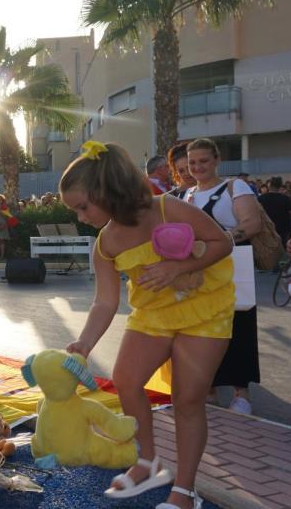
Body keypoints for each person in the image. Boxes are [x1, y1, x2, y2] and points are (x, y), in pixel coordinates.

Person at [61, 141, 233, 509]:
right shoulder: (105, 243)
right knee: (126, 380)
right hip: (153, 314)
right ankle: (147, 460)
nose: (80, 216)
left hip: (204, 309)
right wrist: (84, 343)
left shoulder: (168, 208)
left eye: (82, 206)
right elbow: (105, 301)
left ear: (107, 191)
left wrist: (179, 267)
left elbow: (223, 242)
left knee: (187, 399)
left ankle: (185, 490)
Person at [184, 137, 263, 415]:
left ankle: (242, 393)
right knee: (202, 329)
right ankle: (209, 388)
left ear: (217, 160)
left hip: (232, 267)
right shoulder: (187, 195)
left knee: (238, 326)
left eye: (203, 161)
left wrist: (218, 243)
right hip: (200, 271)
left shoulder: (234, 187)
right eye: (192, 163)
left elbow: (251, 224)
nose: (197, 167)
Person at [258, 176, 291, 247]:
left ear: (269, 185)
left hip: (267, 229)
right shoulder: (285, 199)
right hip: (283, 229)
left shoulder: (261, 198)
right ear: (280, 186)